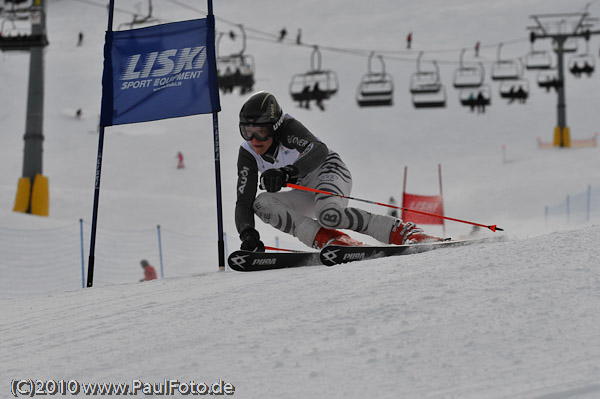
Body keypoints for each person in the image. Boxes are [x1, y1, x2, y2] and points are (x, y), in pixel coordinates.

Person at [235, 91, 444, 252]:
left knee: (329, 214)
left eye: (262, 132)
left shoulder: (288, 129)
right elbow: (243, 201)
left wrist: (287, 173)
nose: (254, 140)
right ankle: (333, 240)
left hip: (327, 169)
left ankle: (405, 232)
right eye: (247, 131)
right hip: (302, 190)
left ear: (275, 127)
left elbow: (318, 150)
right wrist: (247, 234)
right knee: (261, 203)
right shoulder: (247, 154)